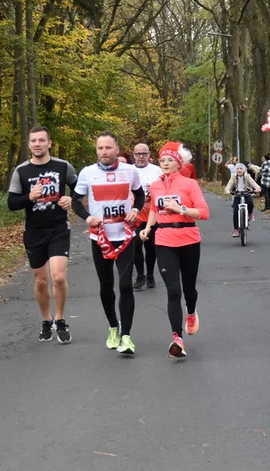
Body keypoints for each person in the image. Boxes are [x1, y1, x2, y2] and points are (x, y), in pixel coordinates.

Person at [73, 132, 145, 354]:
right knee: (106, 286)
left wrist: (135, 210)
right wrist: (87, 217)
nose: (103, 152)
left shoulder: (129, 171)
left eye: (108, 148)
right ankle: (113, 327)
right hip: (100, 238)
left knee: (125, 285)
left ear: (116, 149)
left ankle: (126, 336)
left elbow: (140, 195)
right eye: (100, 148)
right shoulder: (87, 173)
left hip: (125, 236)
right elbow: (76, 201)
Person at [139, 142, 210, 358]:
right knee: (173, 291)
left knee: (189, 289)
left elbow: (204, 212)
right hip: (164, 241)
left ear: (179, 164)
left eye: (170, 160)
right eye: (162, 160)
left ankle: (191, 311)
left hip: (188, 238)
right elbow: (153, 209)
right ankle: (177, 338)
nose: (166, 163)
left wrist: (182, 209)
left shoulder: (189, 184)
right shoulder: (155, 186)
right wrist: (148, 228)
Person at [7, 125, 78, 343]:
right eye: (33, 141)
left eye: (41, 140)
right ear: (29, 145)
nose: (37, 144)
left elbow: (80, 187)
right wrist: (30, 197)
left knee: (58, 277)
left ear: (49, 143)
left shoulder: (62, 166)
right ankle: (46, 320)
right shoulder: (21, 171)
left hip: (58, 229)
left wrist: (71, 199)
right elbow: (11, 203)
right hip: (34, 232)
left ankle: (61, 319)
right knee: (40, 281)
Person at [132, 143, 162, 290]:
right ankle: (140, 275)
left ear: (149, 155)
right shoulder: (128, 170)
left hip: (153, 214)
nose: (141, 157)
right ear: (134, 155)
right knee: (135, 245)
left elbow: (164, 190)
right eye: (138, 154)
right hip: (134, 216)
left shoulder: (157, 171)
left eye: (144, 153)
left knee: (151, 248)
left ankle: (150, 274)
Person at [225, 163, 261, 238]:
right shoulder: (234, 177)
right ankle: (236, 230)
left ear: (244, 170)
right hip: (237, 194)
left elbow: (253, 183)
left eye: (241, 168)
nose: (239, 170)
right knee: (235, 212)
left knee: (250, 203)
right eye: (237, 169)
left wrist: (257, 188)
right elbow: (230, 184)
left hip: (246, 193)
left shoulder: (247, 176)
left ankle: (250, 214)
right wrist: (227, 190)